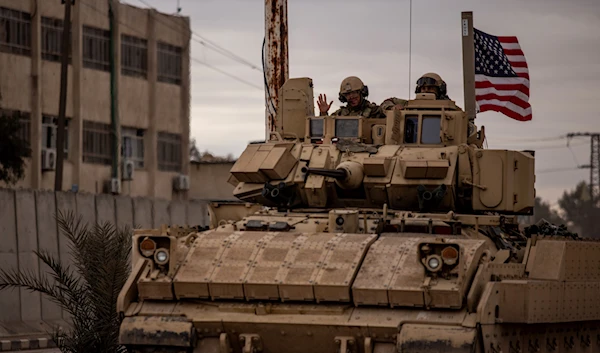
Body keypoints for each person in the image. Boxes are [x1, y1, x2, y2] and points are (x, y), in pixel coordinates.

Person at [317, 76, 386, 118]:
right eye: (347, 94)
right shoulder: (340, 114)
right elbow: (325, 128)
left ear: (362, 92)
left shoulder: (375, 111)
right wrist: (323, 113)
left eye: (354, 93)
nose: (351, 97)